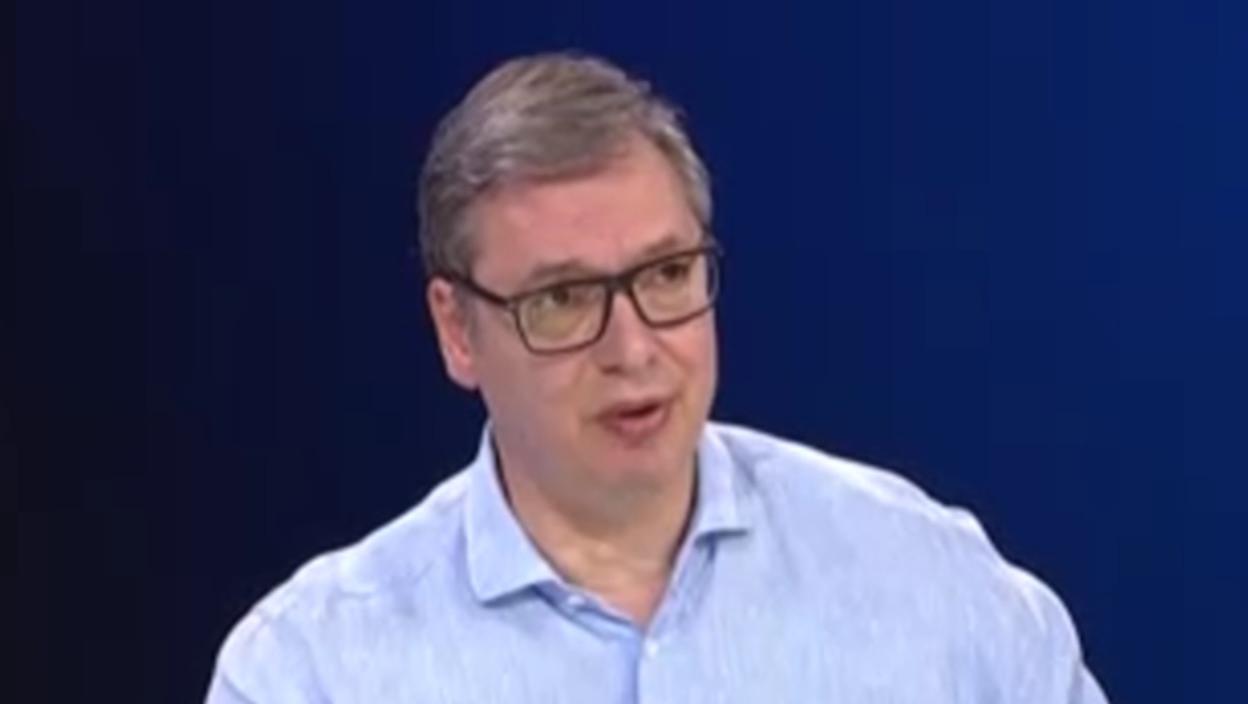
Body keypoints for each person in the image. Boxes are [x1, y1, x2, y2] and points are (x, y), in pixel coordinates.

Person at [206, 51, 1109, 703]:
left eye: (668, 274)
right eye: (564, 299)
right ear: (457, 331)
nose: (633, 349)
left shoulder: (927, 579)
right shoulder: (313, 669)